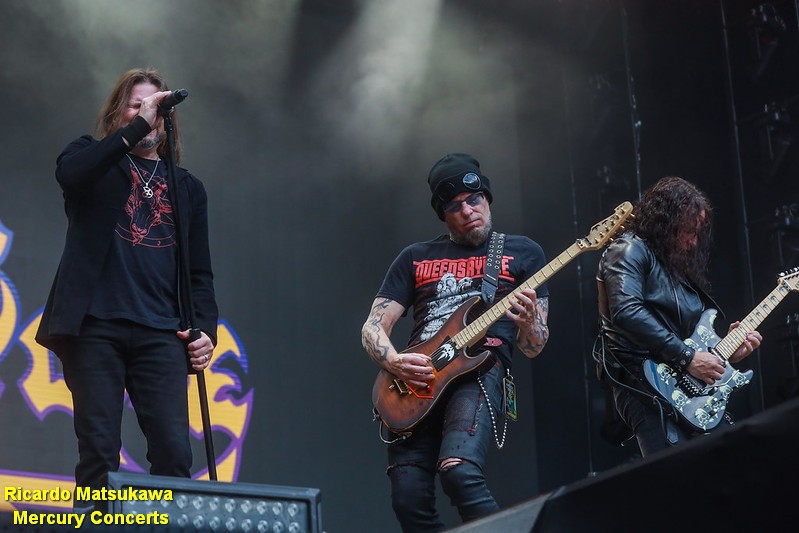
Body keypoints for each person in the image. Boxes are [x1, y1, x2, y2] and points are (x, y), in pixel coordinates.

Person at [35, 68, 218, 509]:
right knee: (99, 452)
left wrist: (206, 330)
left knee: (174, 454)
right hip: (96, 328)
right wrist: (139, 124)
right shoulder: (91, 159)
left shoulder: (187, 188)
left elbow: (199, 273)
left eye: (154, 107)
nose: (146, 113)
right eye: (136, 105)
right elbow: (71, 176)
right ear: (118, 113)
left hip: (163, 333)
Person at [361, 153, 550, 532]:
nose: (467, 211)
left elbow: (534, 346)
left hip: (479, 371)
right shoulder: (415, 257)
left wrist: (530, 323)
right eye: (455, 206)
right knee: (408, 499)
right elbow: (372, 327)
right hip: (417, 379)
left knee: (459, 471)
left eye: (474, 200)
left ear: (487, 198)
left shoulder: (524, 252)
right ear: (443, 214)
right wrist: (394, 361)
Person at [595, 176, 762, 457]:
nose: (693, 241)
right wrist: (688, 357)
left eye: (698, 233)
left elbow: (686, 336)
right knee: (676, 476)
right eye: (688, 231)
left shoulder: (675, 267)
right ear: (665, 222)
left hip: (688, 390)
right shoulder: (628, 250)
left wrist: (723, 353)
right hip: (644, 386)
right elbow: (627, 312)